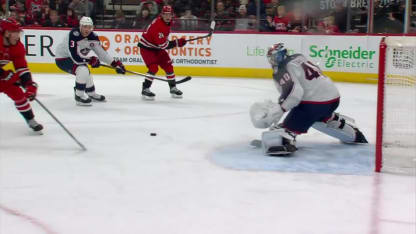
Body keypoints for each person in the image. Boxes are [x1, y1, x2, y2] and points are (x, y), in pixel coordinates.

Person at [250, 43, 367, 155]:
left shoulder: (282, 69)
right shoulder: (298, 57)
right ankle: (353, 134)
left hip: (315, 104)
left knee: (286, 131)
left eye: (273, 57)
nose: (272, 60)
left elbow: (295, 93)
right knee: (319, 120)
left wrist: (280, 108)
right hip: (333, 98)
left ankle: (282, 140)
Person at [55, 16, 126, 106]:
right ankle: (79, 95)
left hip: (75, 58)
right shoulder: (74, 34)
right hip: (63, 59)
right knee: (83, 69)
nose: (87, 29)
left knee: (85, 71)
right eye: (85, 26)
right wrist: (90, 60)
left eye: (89, 27)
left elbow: (102, 54)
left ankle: (91, 93)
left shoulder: (93, 36)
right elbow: (74, 56)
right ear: (80, 26)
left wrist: (115, 64)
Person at [0, 18, 43, 133]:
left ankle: (31, 120)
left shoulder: (17, 47)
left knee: (17, 93)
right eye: (15, 32)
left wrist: (29, 84)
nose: (18, 36)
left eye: (19, 32)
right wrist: (6, 74)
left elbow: (21, 67)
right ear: (6, 33)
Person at [137, 5, 187, 100]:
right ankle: (145, 88)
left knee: (168, 66)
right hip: (147, 48)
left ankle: (173, 87)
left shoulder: (168, 21)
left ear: (172, 15)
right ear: (162, 15)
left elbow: (162, 43)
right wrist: (177, 42)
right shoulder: (158, 26)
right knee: (153, 68)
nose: (168, 16)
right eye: (165, 14)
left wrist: (178, 42)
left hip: (157, 47)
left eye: (170, 14)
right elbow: (164, 45)